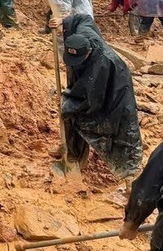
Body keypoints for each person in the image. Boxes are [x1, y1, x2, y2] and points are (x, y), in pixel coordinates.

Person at [59, 14, 142, 179]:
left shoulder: (101, 65)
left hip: (117, 88)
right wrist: (63, 21)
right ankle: (73, 154)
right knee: (69, 111)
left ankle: (129, 171)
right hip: (97, 84)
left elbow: (89, 101)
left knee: (119, 125)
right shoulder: (84, 33)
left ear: (89, 51)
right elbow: (83, 18)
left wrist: (67, 104)